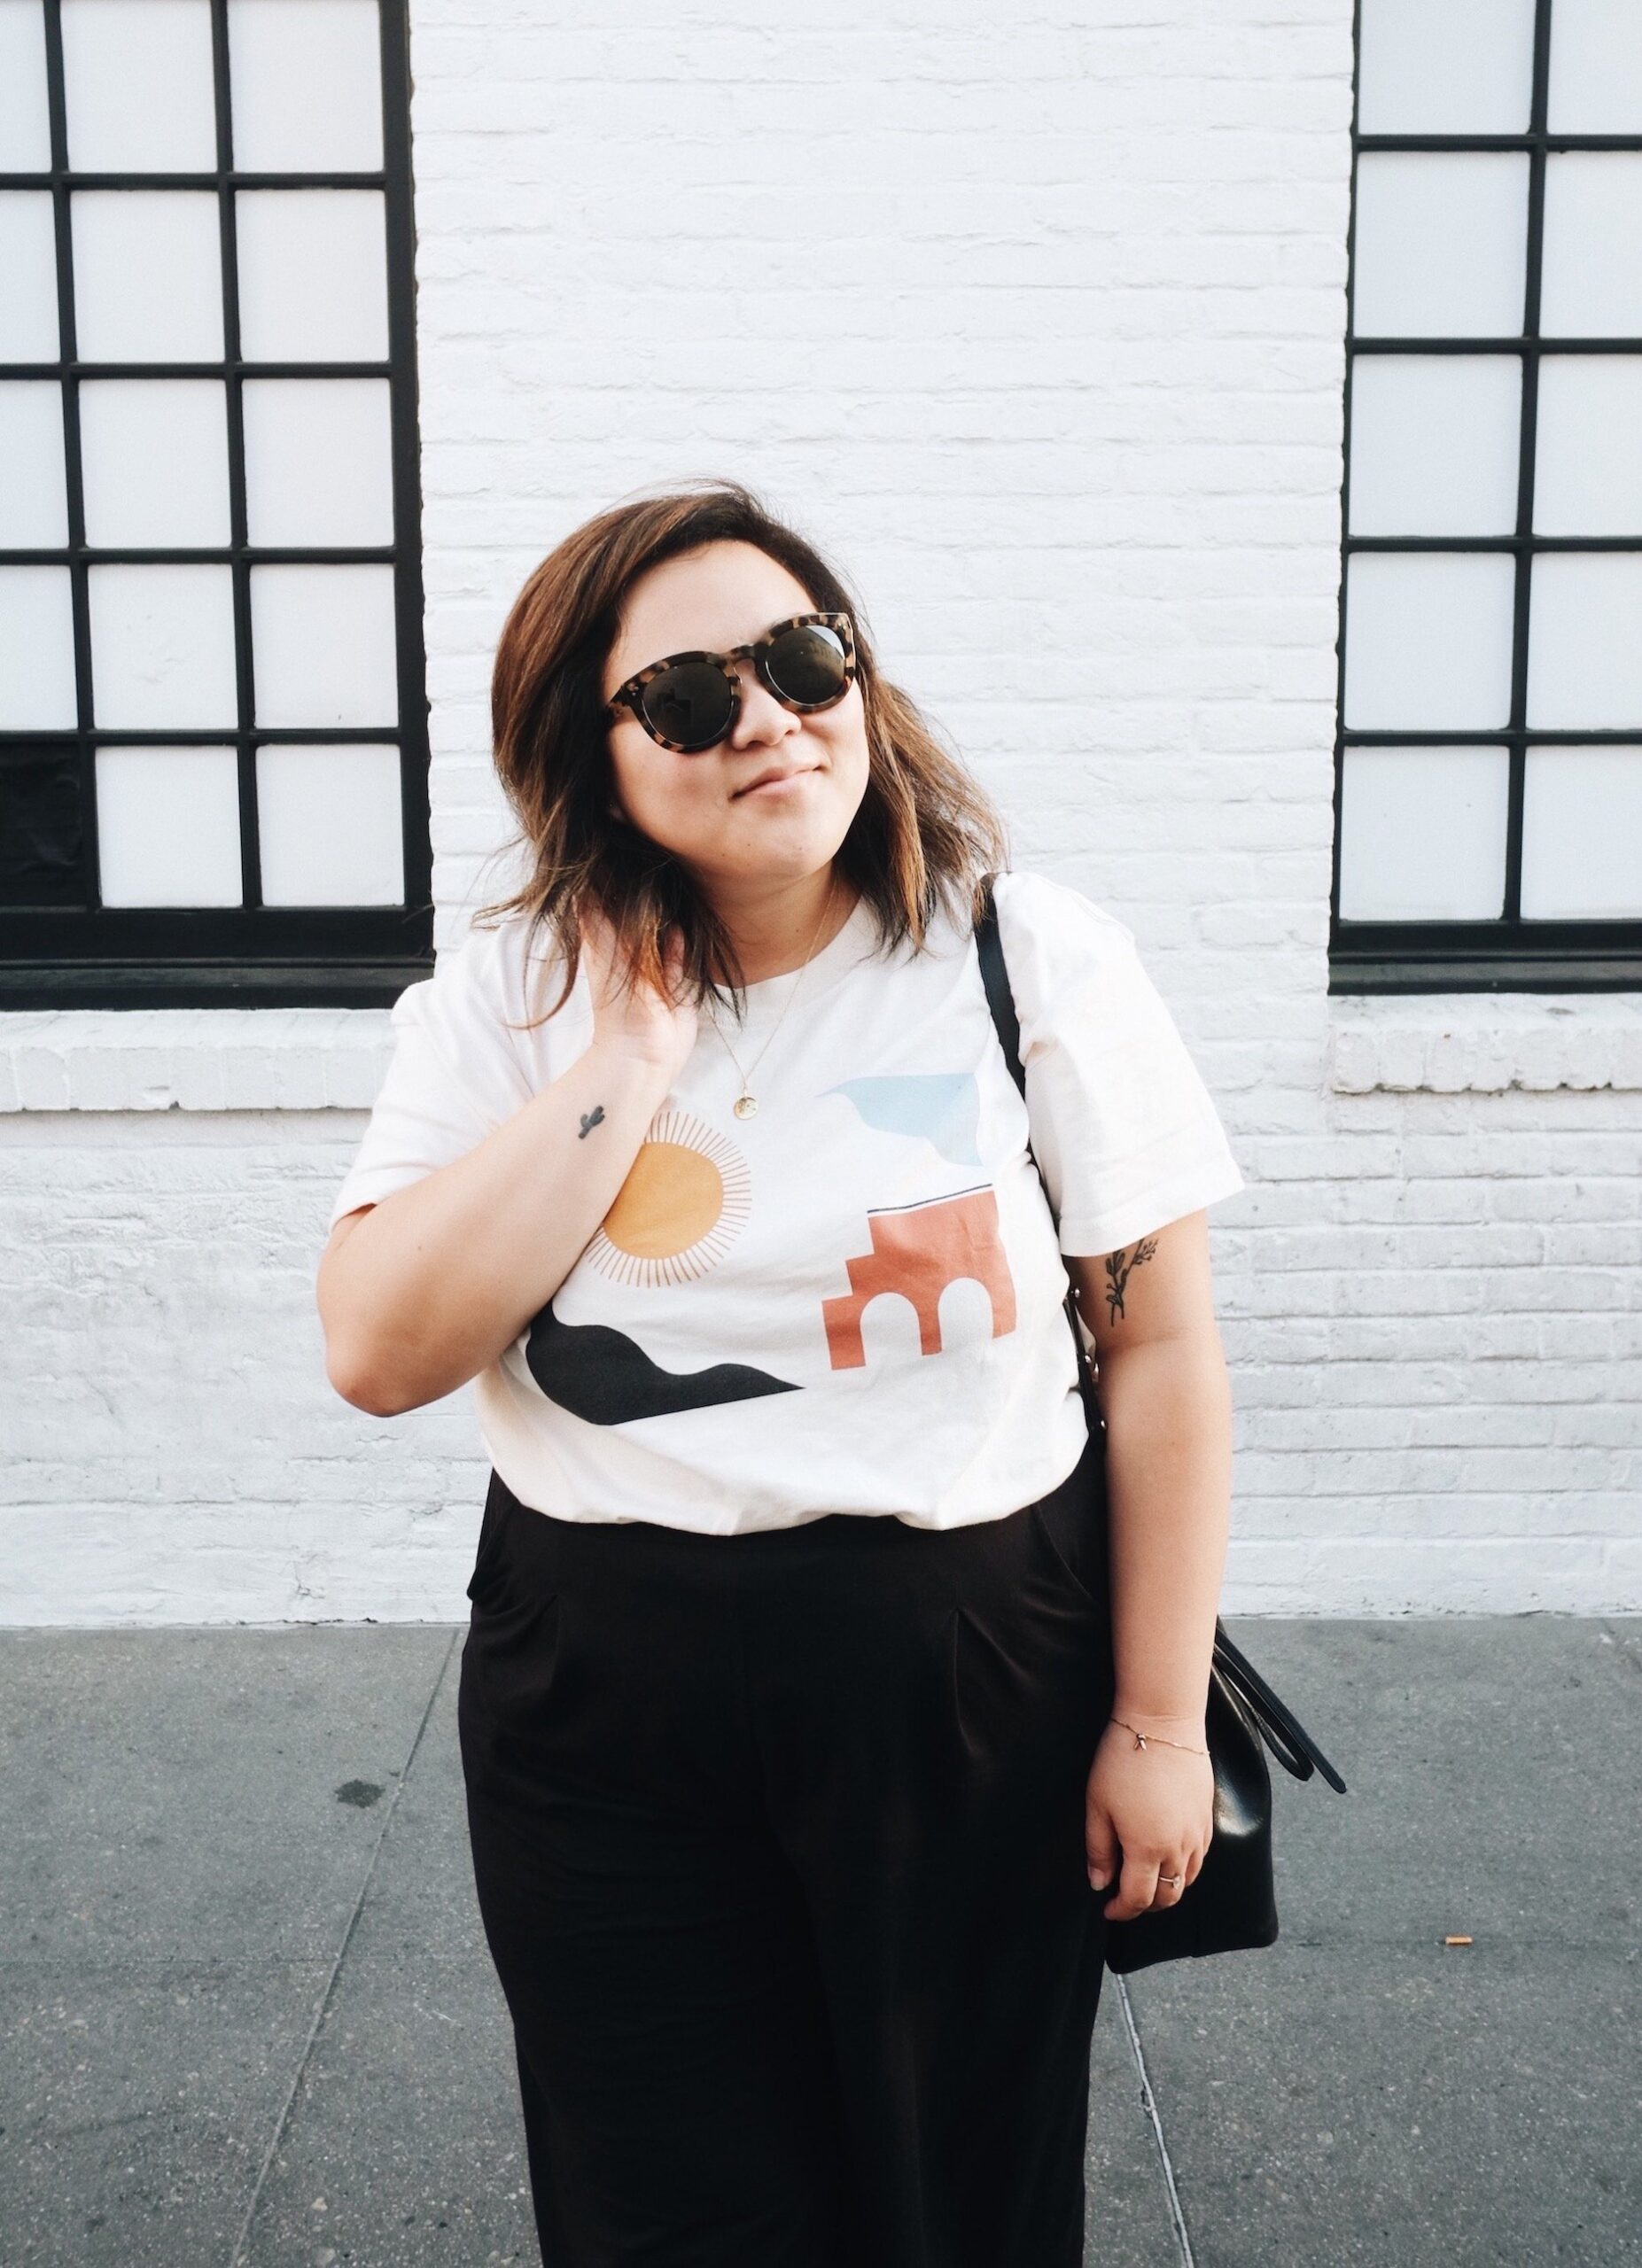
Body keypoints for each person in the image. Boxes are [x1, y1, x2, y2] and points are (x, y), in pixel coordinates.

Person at [315, 480, 1244, 2268]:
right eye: (684, 695)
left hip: (968, 1672)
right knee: (663, 2203)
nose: (765, 718)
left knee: (956, 2198)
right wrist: (628, 1053)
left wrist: (1155, 1721)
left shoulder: (1019, 953)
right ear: (590, 756)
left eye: (804, 659)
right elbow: (379, 1348)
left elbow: (1161, 1349)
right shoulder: (513, 996)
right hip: (604, 1686)